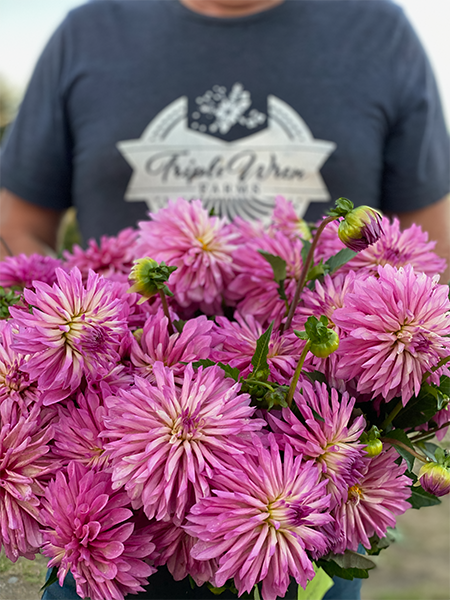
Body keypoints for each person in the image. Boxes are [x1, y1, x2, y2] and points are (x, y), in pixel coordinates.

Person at [0, 0, 449, 598]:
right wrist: (55, 324)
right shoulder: (89, 29)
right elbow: (18, 225)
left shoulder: (378, 30)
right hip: (103, 499)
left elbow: (428, 251)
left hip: (299, 518)